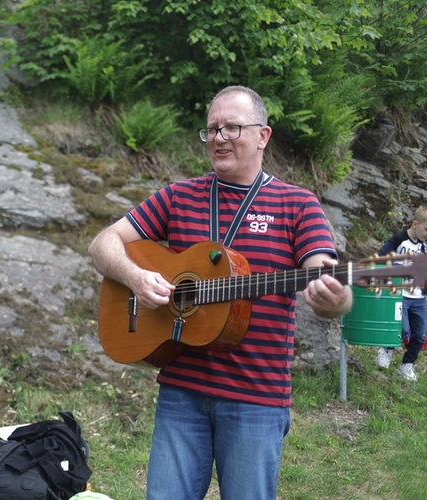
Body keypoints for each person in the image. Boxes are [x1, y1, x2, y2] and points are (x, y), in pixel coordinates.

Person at [88, 86, 352, 499]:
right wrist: (135, 276)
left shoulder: (298, 205)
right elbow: (103, 243)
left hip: (256, 400)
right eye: (212, 129)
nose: (219, 138)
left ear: (263, 136)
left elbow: (322, 270)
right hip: (181, 393)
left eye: (232, 127)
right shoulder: (180, 196)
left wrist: (335, 298)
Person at [374, 205, 427, 381]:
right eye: (426, 229)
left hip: (418, 298)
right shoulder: (399, 240)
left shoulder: (425, 247)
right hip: (400, 295)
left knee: (420, 335)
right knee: (402, 329)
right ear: (415, 224)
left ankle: (407, 365)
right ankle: (386, 350)